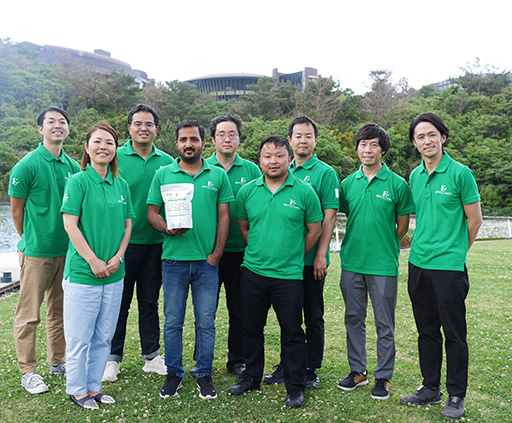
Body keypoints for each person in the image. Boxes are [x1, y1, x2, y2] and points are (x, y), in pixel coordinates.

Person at [228, 135, 323, 409]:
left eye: (279, 155)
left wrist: (292, 254)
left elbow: (314, 230)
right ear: (260, 161)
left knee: (292, 331)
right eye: (267, 156)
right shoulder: (247, 191)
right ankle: (251, 377)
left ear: (289, 158)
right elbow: (244, 227)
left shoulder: (304, 191)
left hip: (289, 276)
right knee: (251, 328)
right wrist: (261, 250)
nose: (273, 160)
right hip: (253, 272)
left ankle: (295, 386)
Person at [400, 113, 482, 420]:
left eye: (431, 134)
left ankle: (456, 394)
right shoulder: (415, 176)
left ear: (442, 137)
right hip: (418, 263)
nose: (426, 141)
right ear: (414, 143)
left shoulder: (461, 174)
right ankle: (430, 388)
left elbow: (474, 220)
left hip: (449, 267)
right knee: (426, 331)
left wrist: (459, 250)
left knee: (454, 333)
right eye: (420, 137)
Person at [147, 120, 233, 400]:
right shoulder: (163, 174)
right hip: (173, 260)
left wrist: (216, 254)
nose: (188, 144)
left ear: (203, 143)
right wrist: (166, 228)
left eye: (193, 139)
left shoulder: (217, 175)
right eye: (183, 139)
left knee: (206, 322)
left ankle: (204, 374)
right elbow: (151, 214)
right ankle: (174, 373)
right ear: (176, 144)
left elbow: (224, 216)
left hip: (206, 263)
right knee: (173, 321)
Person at [336, 123, 414, 400]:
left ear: (382, 149)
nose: (367, 150)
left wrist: (384, 244)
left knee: (385, 323)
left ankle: (383, 377)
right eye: (363, 144)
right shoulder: (347, 184)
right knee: (353, 318)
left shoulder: (397, 184)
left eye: (373, 145)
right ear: (357, 148)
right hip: (352, 262)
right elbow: (342, 214)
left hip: (383, 264)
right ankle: (358, 371)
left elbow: (402, 226)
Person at [61, 121, 134, 410]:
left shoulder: (122, 184)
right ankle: (77, 390)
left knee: (104, 336)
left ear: (116, 150)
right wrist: (93, 261)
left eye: (110, 143)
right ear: (87, 148)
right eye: (98, 142)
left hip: (115, 274)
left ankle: (94, 387)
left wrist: (118, 257)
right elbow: (70, 225)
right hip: (84, 274)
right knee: (80, 338)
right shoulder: (77, 181)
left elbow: (128, 225)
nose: (103, 147)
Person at [263, 116, 339, 389]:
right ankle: (288, 364)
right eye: (298, 136)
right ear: (290, 140)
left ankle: (309, 367)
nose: (303, 140)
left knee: (313, 314)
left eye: (308, 136)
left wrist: (321, 255)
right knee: (289, 316)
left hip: (310, 261)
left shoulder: (325, 173)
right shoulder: (283, 168)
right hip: (285, 263)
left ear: (316, 140)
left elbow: (328, 218)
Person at [9, 106, 80, 394]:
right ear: (41, 129)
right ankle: (28, 371)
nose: (57, 126)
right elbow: (16, 211)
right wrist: (29, 240)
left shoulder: (74, 166)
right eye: (51, 122)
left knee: (60, 311)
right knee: (29, 314)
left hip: (68, 251)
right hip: (37, 252)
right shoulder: (26, 165)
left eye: (62, 121)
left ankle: (58, 361)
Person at [102, 104, 173, 383]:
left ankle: (152, 356)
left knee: (149, 301)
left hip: (157, 243)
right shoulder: (115, 157)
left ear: (157, 128)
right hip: (122, 245)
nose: (143, 128)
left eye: (149, 124)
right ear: (129, 128)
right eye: (137, 123)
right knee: (118, 303)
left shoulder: (167, 162)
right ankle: (111, 359)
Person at [205, 114, 260, 376]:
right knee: (206, 310)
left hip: (241, 252)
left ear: (239, 138)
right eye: (222, 134)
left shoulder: (251, 170)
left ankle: (237, 359)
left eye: (232, 134)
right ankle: (202, 358)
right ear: (212, 139)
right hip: (207, 251)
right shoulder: (202, 167)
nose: (227, 139)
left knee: (240, 310)